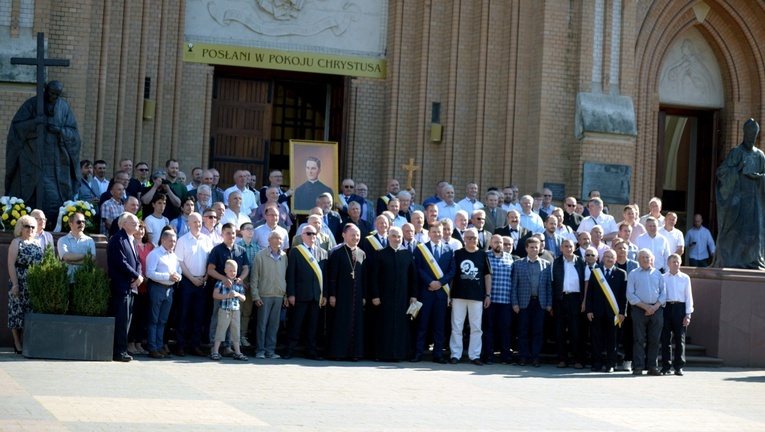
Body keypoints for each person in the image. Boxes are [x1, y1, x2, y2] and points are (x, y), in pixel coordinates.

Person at [6, 80, 81, 221]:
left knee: (55, 197)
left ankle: (56, 223)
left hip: (57, 162)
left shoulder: (64, 108)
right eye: (52, 93)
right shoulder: (32, 105)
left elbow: (74, 135)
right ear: (46, 90)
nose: (54, 97)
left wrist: (60, 131)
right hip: (33, 157)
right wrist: (34, 123)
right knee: (31, 196)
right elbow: (17, 129)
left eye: (57, 94)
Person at [368, 226, 418, 361]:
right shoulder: (380, 253)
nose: (397, 239)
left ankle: (398, 354)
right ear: (389, 237)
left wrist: (413, 295)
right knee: (383, 326)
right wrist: (375, 296)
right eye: (394, 236)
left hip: (403, 298)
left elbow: (413, 277)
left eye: (399, 237)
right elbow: (374, 277)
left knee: (400, 326)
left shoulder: (407, 254)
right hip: (384, 298)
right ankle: (380, 354)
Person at [411, 221, 456, 364]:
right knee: (422, 325)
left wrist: (440, 283)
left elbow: (452, 271)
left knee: (439, 326)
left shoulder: (449, 250)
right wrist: (430, 282)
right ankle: (418, 353)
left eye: (439, 232)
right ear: (429, 233)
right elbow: (418, 268)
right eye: (434, 232)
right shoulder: (421, 249)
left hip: (441, 294)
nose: (437, 234)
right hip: (426, 292)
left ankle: (437, 354)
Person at [449, 228, 492, 366]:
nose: (472, 240)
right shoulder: (457, 254)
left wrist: (488, 295)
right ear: (464, 239)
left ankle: (475, 355)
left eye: (475, 238)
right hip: (458, 295)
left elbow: (487, 276)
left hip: (477, 297)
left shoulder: (482, 255)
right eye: (469, 238)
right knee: (456, 326)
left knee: (476, 328)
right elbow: (452, 276)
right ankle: (455, 354)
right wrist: (449, 294)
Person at [206, 223, 250, 357]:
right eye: (228, 233)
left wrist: (241, 278)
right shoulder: (217, 250)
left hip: (236, 291)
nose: (231, 236)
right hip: (221, 290)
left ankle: (228, 347)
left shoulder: (241, 250)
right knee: (217, 318)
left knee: (233, 320)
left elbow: (246, 268)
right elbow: (210, 270)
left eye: (233, 233)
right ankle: (214, 347)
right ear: (222, 234)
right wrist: (223, 279)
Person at [285, 225, 328, 360]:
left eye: (314, 234)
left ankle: (311, 352)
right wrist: (291, 293)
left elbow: (325, 276)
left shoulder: (323, 253)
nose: (311, 236)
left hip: (316, 296)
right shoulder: (296, 252)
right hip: (300, 295)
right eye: (308, 234)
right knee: (295, 325)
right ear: (302, 236)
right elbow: (290, 274)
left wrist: (325, 294)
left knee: (313, 327)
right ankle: (289, 350)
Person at [326, 224, 367, 360]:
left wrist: (364, 296)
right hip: (341, 295)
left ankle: (354, 353)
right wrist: (332, 295)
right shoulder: (337, 252)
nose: (356, 238)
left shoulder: (361, 253)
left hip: (357, 295)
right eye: (353, 235)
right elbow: (332, 276)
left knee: (356, 324)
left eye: (357, 235)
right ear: (344, 235)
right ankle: (338, 353)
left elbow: (364, 277)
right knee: (341, 323)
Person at [174, 213, 213, 357]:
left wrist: (205, 277)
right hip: (187, 282)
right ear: (188, 224)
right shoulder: (183, 240)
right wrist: (191, 279)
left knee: (198, 316)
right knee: (183, 314)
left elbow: (210, 261)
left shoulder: (207, 240)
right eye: (195, 222)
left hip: (202, 282)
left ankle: (195, 346)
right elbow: (180, 262)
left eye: (199, 222)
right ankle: (180, 345)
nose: (198, 224)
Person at [107, 212, 144, 362]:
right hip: (121, 286)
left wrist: (139, 276)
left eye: (137, 223)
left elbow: (138, 262)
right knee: (121, 320)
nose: (137, 225)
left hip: (131, 287)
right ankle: (119, 351)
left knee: (127, 320)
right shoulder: (118, 239)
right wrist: (137, 276)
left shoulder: (132, 240)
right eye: (133, 223)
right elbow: (121, 263)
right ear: (122, 224)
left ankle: (122, 349)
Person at [510, 237, 552, 367]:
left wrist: (549, 304)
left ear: (540, 248)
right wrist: (514, 303)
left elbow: (548, 286)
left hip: (540, 303)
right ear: (526, 248)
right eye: (531, 247)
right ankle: (523, 357)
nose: (534, 249)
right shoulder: (518, 264)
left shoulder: (546, 264)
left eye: (536, 247)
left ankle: (535, 357)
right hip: (523, 303)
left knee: (538, 331)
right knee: (523, 331)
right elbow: (514, 286)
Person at [6, 215, 44, 354]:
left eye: (33, 227)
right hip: (19, 279)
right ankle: (17, 341)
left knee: (30, 311)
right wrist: (15, 284)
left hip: (34, 281)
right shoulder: (17, 242)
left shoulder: (37, 243)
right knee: (16, 311)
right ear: (21, 228)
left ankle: (27, 340)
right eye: (27, 226)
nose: (30, 229)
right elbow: (11, 263)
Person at [586, 249, 627, 373]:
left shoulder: (621, 273)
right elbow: (590, 293)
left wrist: (622, 312)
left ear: (615, 260)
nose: (609, 259)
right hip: (597, 312)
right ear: (602, 259)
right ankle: (596, 364)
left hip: (613, 313)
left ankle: (611, 364)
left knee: (612, 340)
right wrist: (589, 310)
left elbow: (623, 296)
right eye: (607, 257)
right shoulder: (595, 273)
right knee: (596, 339)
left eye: (612, 257)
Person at [627, 249, 666, 376]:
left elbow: (663, 293)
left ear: (651, 259)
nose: (645, 259)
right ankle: (638, 366)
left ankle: (652, 366)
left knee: (654, 339)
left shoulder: (658, 274)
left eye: (647, 257)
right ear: (638, 259)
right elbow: (630, 294)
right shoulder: (633, 274)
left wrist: (654, 307)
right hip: (639, 309)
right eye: (642, 257)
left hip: (656, 310)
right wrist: (645, 307)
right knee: (638, 339)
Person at [548, 238, 586, 369]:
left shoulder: (581, 262)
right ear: (561, 248)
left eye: (570, 246)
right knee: (559, 331)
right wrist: (551, 303)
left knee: (576, 331)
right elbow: (551, 284)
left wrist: (583, 301)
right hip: (560, 299)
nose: (568, 248)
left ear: (574, 248)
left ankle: (577, 359)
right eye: (565, 246)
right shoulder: (556, 263)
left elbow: (585, 284)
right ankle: (562, 359)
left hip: (576, 299)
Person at [145, 229, 182, 359]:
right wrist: (168, 276)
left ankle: (160, 347)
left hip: (169, 290)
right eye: (171, 241)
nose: (173, 243)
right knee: (153, 320)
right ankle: (152, 348)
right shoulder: (155, 254)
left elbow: (179, 272)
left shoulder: (173, 256)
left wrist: (177, 277)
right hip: (157, 288)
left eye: (174, 241)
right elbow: (149, 273)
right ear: (163, 240)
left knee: (163, 321)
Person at [250, 231, 288, 360]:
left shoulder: (284, 256)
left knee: (274, 325)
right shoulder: (260, 255)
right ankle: (260, 350)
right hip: (264, 295)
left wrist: (286, 296)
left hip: (278, 295)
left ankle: (270, 350)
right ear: (269, 240)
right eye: (276, 239)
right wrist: (255, 296)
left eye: (281, 239)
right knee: (261, 325)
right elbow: (254, 277)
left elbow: (285, 277)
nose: (279, 241)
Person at [482, 234, 514, 364]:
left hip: (505, 300)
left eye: (500, 242)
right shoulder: (485, 256)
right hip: (489, 300)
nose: (499, 245)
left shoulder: (509, 258)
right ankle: (488, 355)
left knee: (505, 329)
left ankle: (506, 355)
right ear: (490, 244)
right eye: (496, 242)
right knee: (488, 328)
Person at [661, 254, 694, 376]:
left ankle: (679, 366)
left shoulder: (685, 278)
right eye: (673, 262)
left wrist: (688, 314)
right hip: (667, 307)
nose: (675, 264)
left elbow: (688, 296)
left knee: (680, 339)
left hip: (680, 308)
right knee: (665, 339)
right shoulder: (663, 277)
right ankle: (666, 366)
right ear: (668, 264)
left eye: (678, 262)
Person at [210, 260, 248, 361]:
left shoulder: (238, 284)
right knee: (220, 330)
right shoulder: (221, 282)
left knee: (235, 332)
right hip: (224, 310)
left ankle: (238, 352)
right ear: (225, 271)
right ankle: (215, 351)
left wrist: (238, 294)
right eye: (230, 270)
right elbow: (215, 295)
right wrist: (227, 296)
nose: (232, 273)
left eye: (234, 271)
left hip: (236, 311)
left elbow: (244, 298)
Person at [127, 219, 152, 357]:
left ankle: (138, 343)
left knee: (143, 317)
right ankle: (130, 343)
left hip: (148, 286)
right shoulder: (131, 245)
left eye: (143, 228)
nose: (140, 231)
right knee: (134, 316)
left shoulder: (150, 247)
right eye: (138, 228)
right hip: (135, 284)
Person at [236, 221, 259, 347]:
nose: (251, 231)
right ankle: (235, 337)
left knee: (247, 312)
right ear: (242, 231)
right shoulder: (237, 246)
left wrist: (252, 283)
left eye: (252, 229)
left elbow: (257, 267)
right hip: (239, 282)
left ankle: (242, 335)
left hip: (252, 283)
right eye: (248, 229)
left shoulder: (257, 248)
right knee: (237, 311)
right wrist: (242, 281)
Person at [57, 212, 96, 280]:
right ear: (70, 224)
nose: (82, 224)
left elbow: (92, 258)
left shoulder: (90, 240)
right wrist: (85, 256)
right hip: (67, 279)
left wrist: (73, 262)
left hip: (85, 280)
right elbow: (66, 257)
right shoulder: (62, 240)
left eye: (83, 222)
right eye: (79, 222)